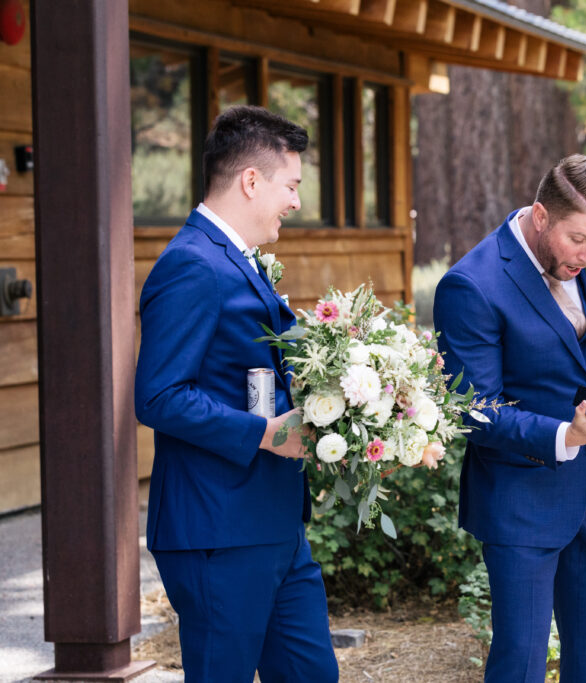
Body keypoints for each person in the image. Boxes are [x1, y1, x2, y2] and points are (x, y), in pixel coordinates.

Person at [434, 154, 586, 682]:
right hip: (520, 502)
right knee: (520, 662)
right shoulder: (471, 285)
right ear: (541, 216)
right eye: (578, 239)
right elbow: (476, 411)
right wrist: (568, 433)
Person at [135, 106, 338, 683]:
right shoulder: (192, 266)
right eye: (291, 185)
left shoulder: (236, 260)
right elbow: (159, 395)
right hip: (217, 530)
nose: (296, 202)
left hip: (273, 523)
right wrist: (267, 433)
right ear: (252, 180)